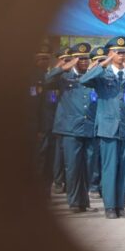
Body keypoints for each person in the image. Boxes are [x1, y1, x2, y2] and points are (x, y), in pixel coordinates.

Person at [80, 36, 125, 219]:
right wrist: (104, 63)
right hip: (108, 128)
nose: (122, 55)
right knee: (110, 168)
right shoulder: (102, 74)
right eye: (119, 52)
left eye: (124, 53)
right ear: (110, 53)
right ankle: (110, 207)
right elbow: (84, 80)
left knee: (123, 169)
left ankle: (121, 206)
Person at [45, 42, 98, 213]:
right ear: (74, 59)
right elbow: (46, 81)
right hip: (70, 130)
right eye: (80, 58)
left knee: (87, 167)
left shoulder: (92, 77)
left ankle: (84, 202)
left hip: (89, 128)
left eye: (86, 58)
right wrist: (62, 66)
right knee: (73, 167)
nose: (84, 61)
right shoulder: (64, 77)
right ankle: (75, 203)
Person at [30, 43, 56, 197]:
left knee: (49, 163)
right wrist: (37, 128)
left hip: (51, 127)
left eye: (47, 58)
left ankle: (46, 192)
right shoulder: (30, 78)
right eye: (41, 58)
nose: (45, 61)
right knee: (37, 161)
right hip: (37, 129)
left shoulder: (50, 77)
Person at [87, 46, 106, 199]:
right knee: (91, 157)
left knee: (101, 156)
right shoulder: (89, 77)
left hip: (102, 123)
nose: (100, 64)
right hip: (87, 123)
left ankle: (100, 185)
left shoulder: (104, 77)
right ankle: (92, 185)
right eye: (97, 61)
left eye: (103, 60)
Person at [52, 46, 72, 194]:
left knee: (70, 156)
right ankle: (58, 181)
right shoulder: (57, 75)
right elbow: (45, 80)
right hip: (61, 122)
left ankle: (68, 182)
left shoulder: (73, 75)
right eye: (64, 59)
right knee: (59, 155)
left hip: (74, 122)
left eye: (69, 59)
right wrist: (59, 67)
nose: (67, 62)